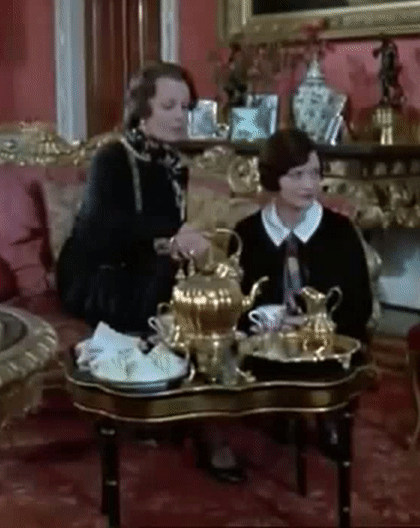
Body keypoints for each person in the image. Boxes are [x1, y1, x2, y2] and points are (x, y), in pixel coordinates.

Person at [233, 128, 373, 452]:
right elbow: (239, 304)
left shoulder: (340, 232)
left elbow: (359, 305)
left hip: (326, 344)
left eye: (314, 173)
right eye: (296, 175)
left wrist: (313, 324)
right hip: (268, 345)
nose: (309, 185)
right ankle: (276, 410)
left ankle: (329, 415)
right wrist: (267, 320)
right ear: (274, 177)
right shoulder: (248, 233)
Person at [56, 61, 210, 334]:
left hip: (147, 267)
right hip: (97, 272)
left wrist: (184, 243)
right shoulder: (112, 157)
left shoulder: (175, 166)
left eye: (185, 107)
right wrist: (173, 234)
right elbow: (102, 229)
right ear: (142, 110)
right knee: (164, 292)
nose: (180, 116)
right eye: (168, 106)